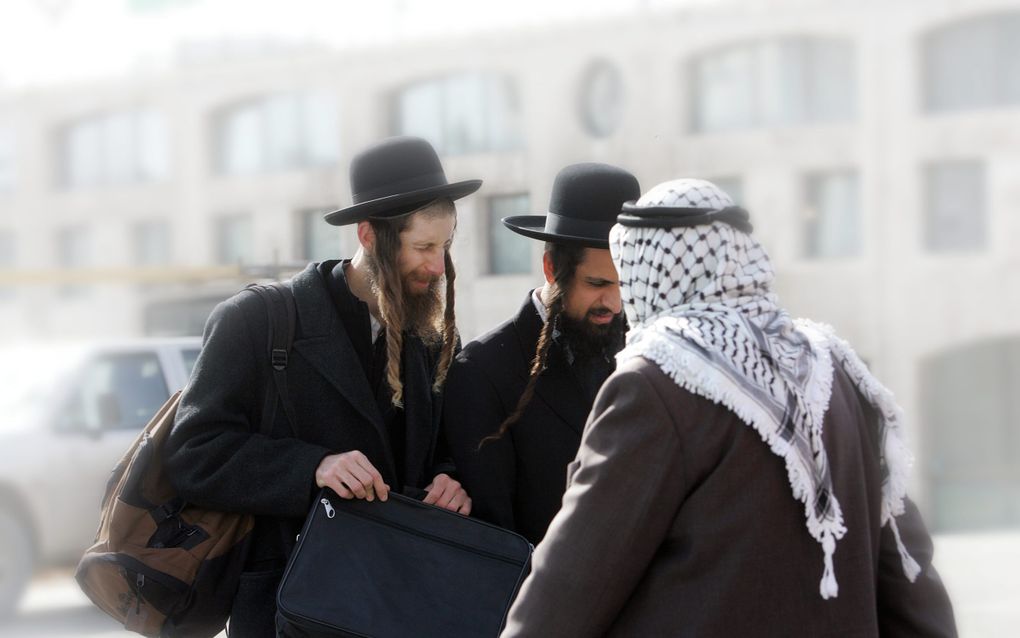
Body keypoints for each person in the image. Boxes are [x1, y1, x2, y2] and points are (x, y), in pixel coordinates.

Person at [502, 179, 957, 637]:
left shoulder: (654, 382)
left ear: (646, 270)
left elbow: (573, 584)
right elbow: (906, 574)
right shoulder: (836, 367)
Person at [164, 136, 478, 637]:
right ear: (369, 235)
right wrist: (313, 466)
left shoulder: (435, 336)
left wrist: (449, 478)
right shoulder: (257, 321)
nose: (438, 267)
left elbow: (444, 444)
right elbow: (194, 455)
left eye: (444, 247)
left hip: (399, 603)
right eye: (423, 247)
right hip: (290, 608)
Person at [443, 163, 640, 545]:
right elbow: (495, 538)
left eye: (624, 284)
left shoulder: (645, 351)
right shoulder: (483, 373)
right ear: (551, 268)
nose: (613, 303)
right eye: (597, 283)